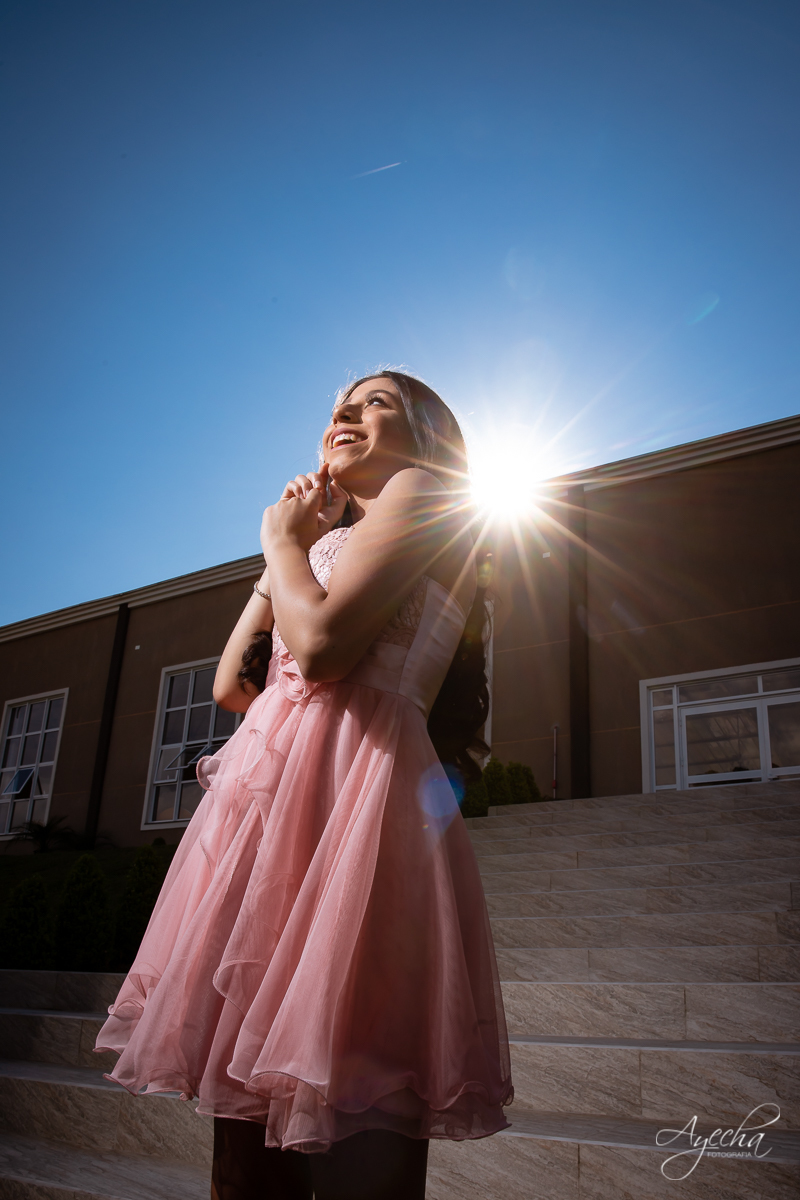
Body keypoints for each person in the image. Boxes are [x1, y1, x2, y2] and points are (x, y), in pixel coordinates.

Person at [96, 370, 512, 1199]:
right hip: (279, 808)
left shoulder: (424, 491)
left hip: (357, 804)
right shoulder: (334, 535)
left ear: (428, 435)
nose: (345, 414)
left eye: (375, 401)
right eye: (338, 406)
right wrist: (285, 548)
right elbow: (238, 689)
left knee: (359, 1094)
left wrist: (282, 540)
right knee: (249, 1118)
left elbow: (321, 650)